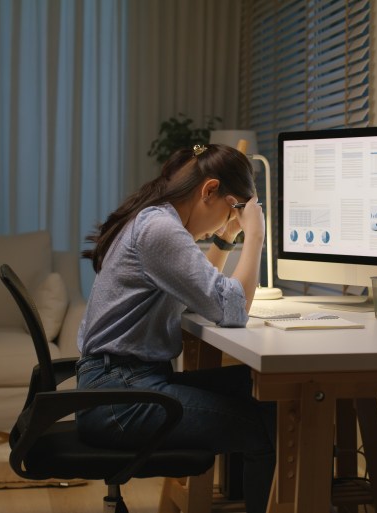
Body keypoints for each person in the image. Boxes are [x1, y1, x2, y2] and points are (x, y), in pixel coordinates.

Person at [75, 143, 275, 513]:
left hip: (122, 383)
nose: (226, 221)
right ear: (209, 190)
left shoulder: (154, 219)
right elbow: (232, 308)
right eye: (231, 211)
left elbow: (199, 291)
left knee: (265, 395)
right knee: (261, 428)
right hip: (120, 398)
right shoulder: (159, 229)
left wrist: (227, 237)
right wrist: (256, 237)